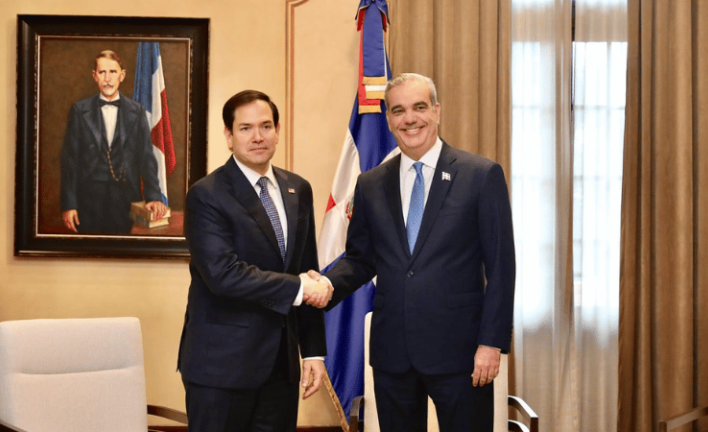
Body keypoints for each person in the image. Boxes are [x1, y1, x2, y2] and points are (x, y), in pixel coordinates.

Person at [313, 73, 516, 432]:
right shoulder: (371, 183)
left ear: (436, 111)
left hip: (462, 353)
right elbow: (361, 259)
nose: (410, 119)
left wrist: (491, 343)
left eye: (419, 107)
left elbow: (501, 267)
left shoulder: (480, 175)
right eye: (399, 110)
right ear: (388, 118)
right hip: (394, 355)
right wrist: (326, 285)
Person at [177, 90, 333, 432]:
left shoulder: (298, 189)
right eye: (245, 128)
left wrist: (313, 352)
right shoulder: (207, 194)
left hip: (281, 367)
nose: (258, 136)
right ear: (229, 136)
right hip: (221, 369)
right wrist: (300, 286)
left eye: (265, 126)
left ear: (277, 130)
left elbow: (307, 270)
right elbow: (223, 274)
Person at [60, 50, 167, 234]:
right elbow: (70, 162)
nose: (108, 78)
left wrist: (153, 196)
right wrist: (69, 205)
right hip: (88, 201)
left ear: (122, 75)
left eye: (113, 72)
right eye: (102, 72)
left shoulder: (137, 111)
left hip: (126, 201)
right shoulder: (79, 111)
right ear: (95, 76)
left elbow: (147, 157)